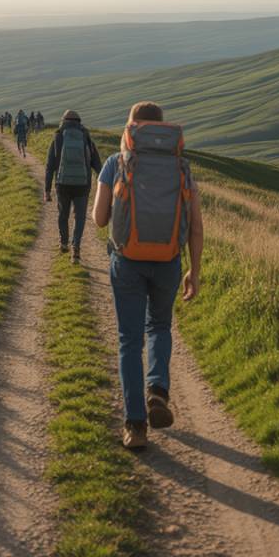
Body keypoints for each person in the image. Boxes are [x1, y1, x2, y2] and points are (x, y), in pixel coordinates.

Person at [93, 101, 203, 449]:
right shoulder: (182, 168)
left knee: (129, 340)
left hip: (126, 261)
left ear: (132, 128)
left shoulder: (115, 163)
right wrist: (194, 271)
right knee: (159, 326)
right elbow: (196, 227)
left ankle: (135, 426)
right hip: (169, 261)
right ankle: (158, 389)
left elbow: (98, 218)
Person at [44, 110, 102, 263]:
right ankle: (76, 247)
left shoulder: (58, 137)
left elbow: (50, 165)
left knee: (63, 214)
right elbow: (97, 163)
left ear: (63, 121)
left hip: (62, 183)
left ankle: (64, 243)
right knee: (80, 216)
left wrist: (47, 190)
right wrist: (102, 185)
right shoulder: (85, 137)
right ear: (79, 122)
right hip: (82, 184)